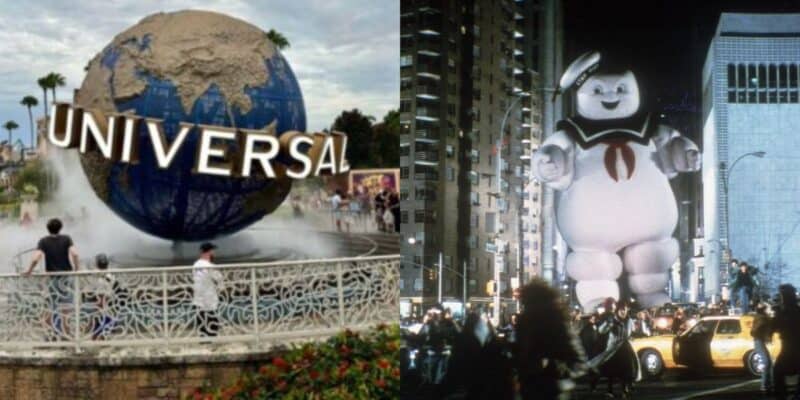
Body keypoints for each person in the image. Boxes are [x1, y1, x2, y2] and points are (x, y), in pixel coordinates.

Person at [516, 279, 587, 400]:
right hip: (532, 388)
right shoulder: (524, 323)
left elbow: (577, 361)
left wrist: (552, 365)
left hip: (551, 388)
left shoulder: (556, 323)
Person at [23, 218, 80, 339]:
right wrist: (77, 269)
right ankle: (66, 333)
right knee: (66, 306)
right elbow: (75, 254)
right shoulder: (67, 239)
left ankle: (50, 333)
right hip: (66, 277)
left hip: (52, 278)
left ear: (48, 229)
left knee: (51, 306)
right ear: (60, 228)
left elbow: (36, 257)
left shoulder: (43, 241)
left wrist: (29, 270)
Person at [592, 298, 640, 399]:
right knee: (611, 370)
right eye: (622, 309)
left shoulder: (629, 321)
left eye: (625, 309)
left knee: (627, 368)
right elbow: (601, 331)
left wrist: (632, 336)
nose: (624, 312)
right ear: (617, 310)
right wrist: (608, 324)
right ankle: (609, 390)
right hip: (613, 349)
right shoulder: (612, 320)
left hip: (625, 348)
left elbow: (632, 333)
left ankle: (625, 388)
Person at [772, 284, 800, 399]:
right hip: (791, 346)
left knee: (777, 371)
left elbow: (775, 327)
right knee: (778, 371)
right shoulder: (793, 311)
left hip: (790, 347)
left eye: (782, 296)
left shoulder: (785, 312)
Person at [193, 242, 223, 337]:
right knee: (212, 322)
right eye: (212, 251)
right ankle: (211, 339)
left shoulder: (196, 265)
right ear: (209, 252)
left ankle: (203, 339)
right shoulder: (210, 266)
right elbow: (219, 278)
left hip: (198, 298)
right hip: (209, 298)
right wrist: (221, 289)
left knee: (201, 321)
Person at [90, 253, 116, 340]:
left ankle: (99, 334)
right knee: (102, 315)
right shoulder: (109, 275)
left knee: (100, 316)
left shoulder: (102, 275)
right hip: (106, 298)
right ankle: (100, 334)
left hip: (103, 297)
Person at [750, 302, 772, 393]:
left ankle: (767, 384)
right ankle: (765, 385)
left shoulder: (762, 317)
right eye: (766, 308)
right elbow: (754, 331)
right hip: (759, 341)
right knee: (766, 361)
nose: (768, 310)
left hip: (759, 341)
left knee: (768, 362)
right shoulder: (761, 318)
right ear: (763, 310)